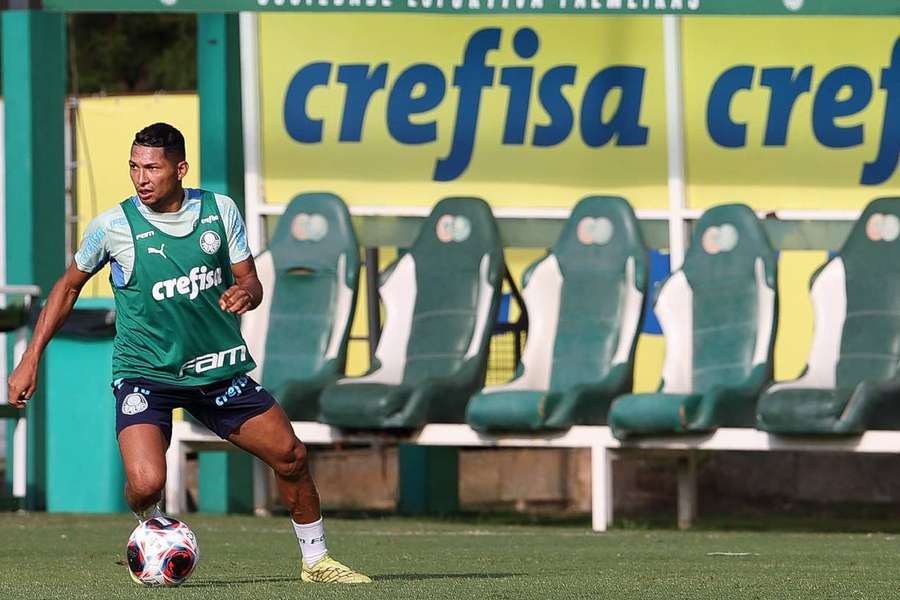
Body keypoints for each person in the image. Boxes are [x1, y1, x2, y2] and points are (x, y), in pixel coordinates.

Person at [6, 122, 371, 585]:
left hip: (216, 371)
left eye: (152, 169)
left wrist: (246, 294)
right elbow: (67, 288)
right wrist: (30, 358)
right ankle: (152, 527)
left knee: (291, 456)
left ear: (180, 169)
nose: (141, 178)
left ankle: (317, 561)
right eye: (135, 167)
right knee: (145, 485)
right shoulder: (113, 226)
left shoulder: (219, 211)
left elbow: (250, 281)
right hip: (145, 372)